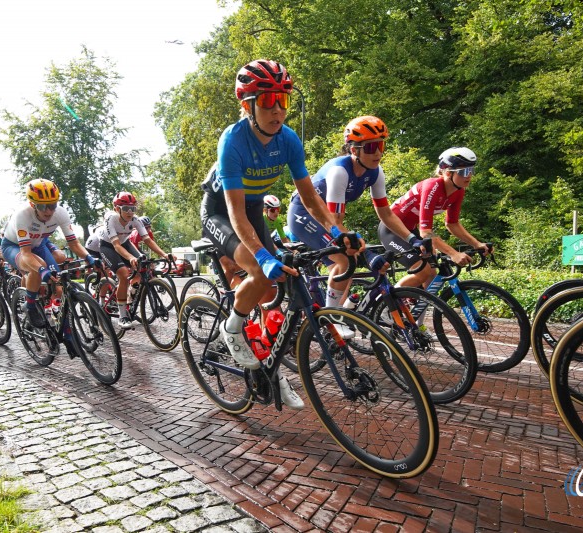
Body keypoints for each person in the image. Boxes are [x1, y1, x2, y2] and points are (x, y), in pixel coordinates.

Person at [200, 58, 362, 410]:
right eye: (268, 102)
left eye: (283, 101)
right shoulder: (233, 141)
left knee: (273, 288)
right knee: (260, 270)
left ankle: (267, 370)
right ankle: (232, 327)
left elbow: (310, 197)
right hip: (222, 211)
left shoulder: (288, 139)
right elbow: (234, 212)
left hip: (253, 209)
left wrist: (338, 233)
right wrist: (261, 255)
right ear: (248, 105)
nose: (278, 111)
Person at [288, 116, 421, 329]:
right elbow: (334, 221)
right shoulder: (340, 171)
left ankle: (335, 310)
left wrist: (413, 239)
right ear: (354, 150)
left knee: (348, 260)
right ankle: (330, 318)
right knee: (345, 259)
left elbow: (386, 214)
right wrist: (367, 252)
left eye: (381, 145)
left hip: (328, 218)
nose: (378, 153)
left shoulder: (376, 173)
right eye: (370, 148)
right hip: (304, 214)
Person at [378, 147, 490, 289]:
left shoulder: (458, 191)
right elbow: (426, 232)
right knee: (423, 272)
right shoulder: (432, 187)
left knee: (431, 272)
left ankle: (418, 309)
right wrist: (453, 253)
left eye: (471, 171)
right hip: (391, 230)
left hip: (411, 231)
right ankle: (389, 303)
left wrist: (476, 244)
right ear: (448, 173)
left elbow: (452, 224)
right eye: (464, 172)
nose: (469, 176)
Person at [1, 179, 96, 329]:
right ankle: (30, 305)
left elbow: (74, 244)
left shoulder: (61, 213)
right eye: (42, 206)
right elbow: (26, 253)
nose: (48, 211)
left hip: (39, 244)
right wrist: (40, 269)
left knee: (58, 283)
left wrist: (89, 258)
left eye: (52, 206)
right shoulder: (22, 215)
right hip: (14, 246)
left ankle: (60, 321)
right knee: (39, 267)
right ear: (33, 205)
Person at [98, 192, 171, 329]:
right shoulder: (111, 219)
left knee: (142, 266)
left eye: (133, 208)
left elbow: (147, 240)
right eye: (125, 208)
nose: (130, 212)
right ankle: (123, 315)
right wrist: (131, 257)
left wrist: (164, 254)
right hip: (108, 246)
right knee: (123, 274)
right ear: (117, 209)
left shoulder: (135, 220)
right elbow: (116, 246)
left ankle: (131, 294)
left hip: (125, 244)